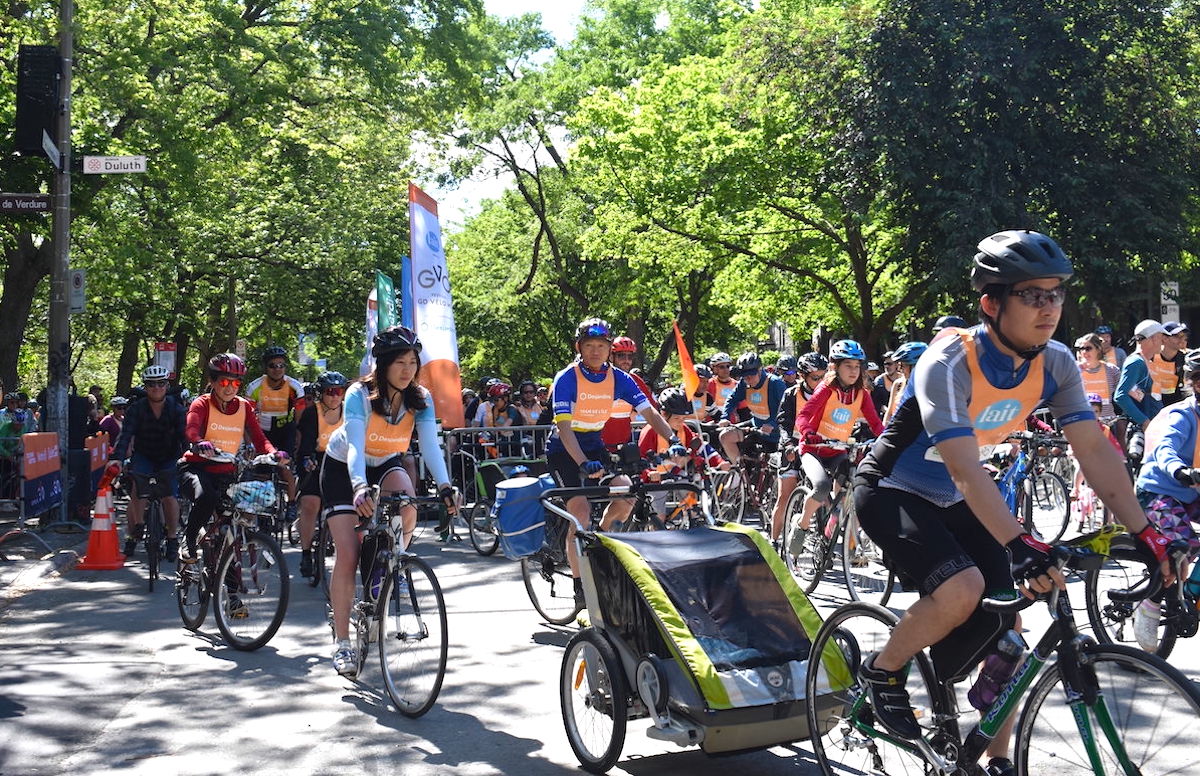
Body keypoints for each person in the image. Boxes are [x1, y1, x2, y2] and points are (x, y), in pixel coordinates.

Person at [852, 230, 1172, 776]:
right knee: (964, 587)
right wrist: (1018, 541)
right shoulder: (949, 360)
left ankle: (996, 759)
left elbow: (1093, 450)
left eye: (1056, 294)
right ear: (991, 304)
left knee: (1011, 633)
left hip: (958, 495)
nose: (1049, 307)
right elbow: (962, 464)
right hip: (891, 489)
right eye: (1032, 295)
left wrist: (1146, 531)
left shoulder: (1057, 363)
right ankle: (882, 671)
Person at [320, 325, 456, 677]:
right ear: (382, 365)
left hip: (385, 462)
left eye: (413, 361)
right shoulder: (358, 395)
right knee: (348, 554)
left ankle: (391, 562)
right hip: (343, 469)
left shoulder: (419, 399)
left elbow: (429, 446)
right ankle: (342, 642)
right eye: (400, 362)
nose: (408, 369)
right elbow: (352, 447)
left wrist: (445, 486)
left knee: (407, 501)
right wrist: (358, 487)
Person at [545, 317, 678, 604]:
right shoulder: (567, 378)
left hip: (595, 444)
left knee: (626, 493)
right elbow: (565, 429)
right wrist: (581, 463)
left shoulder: (620, 378)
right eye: (589, 345)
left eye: (601, 346)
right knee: (579, 515)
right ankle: (581, 589)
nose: (595, 351)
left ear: (609, 349)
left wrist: (674, 440)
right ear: (579, 348)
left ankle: (600, 542)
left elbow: (651, 414)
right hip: (564, 449)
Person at [180, 354, 282, 576]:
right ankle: (188, 541)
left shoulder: (244, 407)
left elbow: (259, 438)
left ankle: (232, 596)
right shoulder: (202, 403)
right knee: (206, 497)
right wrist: (199, 442)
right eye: (224, 382)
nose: (230, 388)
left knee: (232, 531)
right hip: (196, 469)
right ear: (213, 381)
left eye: (235, 383)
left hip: (226, 474)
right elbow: (191, 428)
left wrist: (274, 454)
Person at [1131, 348, 1200, 650]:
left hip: (1190, 493)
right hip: (1158, 491)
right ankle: (1150, 601)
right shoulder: (1181, 414)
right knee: (1186, 546)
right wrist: (1178, 469)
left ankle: (1192, 591)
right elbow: (1165, 447)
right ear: (1192, 383)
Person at [794, 340, 884, 534]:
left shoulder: (862, 394)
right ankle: (801, 525)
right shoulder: (826, 389)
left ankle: (829, 533)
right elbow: (803, 416)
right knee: (821, 486)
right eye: (848, 366)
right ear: (835, 367)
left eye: (857, 366)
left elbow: (876, 424)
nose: (853, 371)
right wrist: (808, 433)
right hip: (812, 449)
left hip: (837, 451)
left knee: (852, 487)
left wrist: (889, 439)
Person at [109, 366, 187, 561]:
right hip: (144, 455)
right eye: (151, 384)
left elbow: (183, 436)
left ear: (167, 386)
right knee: (138, 489)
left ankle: (171, 538)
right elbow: (125, 436)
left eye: (161, 383)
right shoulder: (136, 409)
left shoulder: (176, 409)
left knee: (169, 496)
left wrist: (188, 456)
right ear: (145, 387)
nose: (156, 388)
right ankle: (136, 529)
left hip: (169, 456)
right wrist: (117, 458)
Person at [637, 387, 728, 523]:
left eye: (684, 418)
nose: (681, 421)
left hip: (677, 475)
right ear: (663, 414)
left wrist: (719, 461)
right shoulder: (650, 431)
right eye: (677, 418)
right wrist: (648, 473)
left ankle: (693, 530)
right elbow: (640, 458)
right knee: (658, 516)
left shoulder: (684, 429)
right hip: (655, 481)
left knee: (694, 507)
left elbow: (701, 446)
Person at [294, 370, 347, 579]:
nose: (335, 396)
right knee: (310, 504)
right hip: (315, 459)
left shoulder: (350, 411)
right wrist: (307, 460)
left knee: (342, 506)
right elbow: (306, 443)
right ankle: (306, 553)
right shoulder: (311, 413)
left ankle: (333, 539)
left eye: (339, 391)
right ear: (321, 394)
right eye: (330, 392)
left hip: (340, 462)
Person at [772, 352, 829, 542]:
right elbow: (783, 423)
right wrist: (788, 444)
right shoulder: (791, 394)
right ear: (802, 376)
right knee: (785, 495)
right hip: (793, 445)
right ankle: (774, 541)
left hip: (817, 446)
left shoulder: (830, 394)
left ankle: (823, 539)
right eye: (815, 378)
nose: (821, 381)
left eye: (824, 376)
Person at [246, 346, 302, 518]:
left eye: (281, 365)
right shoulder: (254, 387)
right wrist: (249, 443)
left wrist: (298, 439)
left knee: (283, 467)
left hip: (285, 430)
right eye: (273, 365)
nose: (277, 369)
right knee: (261, 471)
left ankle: (291, 503)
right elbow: (247, 419)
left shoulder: (294, 386)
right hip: (262, 432)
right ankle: (262, 505)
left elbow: (299, 417)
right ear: (266, 368)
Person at [716, 352, 787, 466]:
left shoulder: (775, 383)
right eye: (744, 377)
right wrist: (725, 417)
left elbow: (787, 410)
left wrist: (772, 424)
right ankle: (740, 472)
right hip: (755, 428)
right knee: (725, 436)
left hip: (776, 434)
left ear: (760, 370)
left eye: (751, 375)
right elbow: (732, 399)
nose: (748, 380)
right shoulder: (744, 383)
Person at [602, 336, 658, 450]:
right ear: (611, 356)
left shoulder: (635, 380)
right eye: (621, 355)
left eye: (630, 356)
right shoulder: (601, 377)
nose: (626, 360)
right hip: (599, 443)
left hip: (625, 443)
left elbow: (653, 409)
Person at [1115, 319, 1166, 432]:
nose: (1163, 342)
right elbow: (1120, 396)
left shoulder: (1148, 362)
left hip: (1154, 426)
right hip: (1142, 431)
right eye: (1161, 337)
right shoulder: (1136, 362)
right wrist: (1144, 421)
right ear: (1152, 338)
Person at [1074, 332, 1119, 424]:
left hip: (1108, 422)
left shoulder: (1112, 369)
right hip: (1084, 422)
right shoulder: (1074, 370)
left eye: (1088, 348)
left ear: (1098, 349)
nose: (1084, 352)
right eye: (1081, 349)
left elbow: (1126, 390)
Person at [882, 341, 927, 424]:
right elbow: (889, 413)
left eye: (903, 365)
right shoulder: (898, 384)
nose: (900, 369)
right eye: (899, 365)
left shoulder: (928, 388)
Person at [1157, 322, 1188, 406]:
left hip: (1178, 405)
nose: (1182, 340)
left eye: (1183, 336)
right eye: (1177, 336)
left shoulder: (1186, 358)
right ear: (1164, 338)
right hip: (1155, 407)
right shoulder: (1151, 358)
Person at [871, 352, 899, 418]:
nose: (886, 366)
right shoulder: (879, 382)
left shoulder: (903, 379)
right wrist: (889, 412)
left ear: (896, 365)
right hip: (884, 418)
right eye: (885, 364)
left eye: (889, 364)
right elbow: (877, 404)